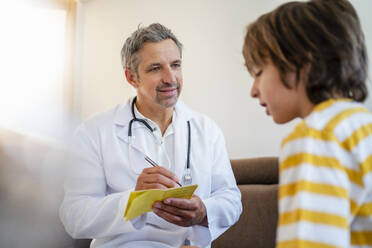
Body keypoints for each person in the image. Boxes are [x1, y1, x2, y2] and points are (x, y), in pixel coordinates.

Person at [60, 23, 242, 248]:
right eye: (155, 68)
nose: (170, 78)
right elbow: (74, 217)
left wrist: (204, 211)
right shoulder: (93, 132)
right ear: (131, 77)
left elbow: (231, 200)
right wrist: (134, 200)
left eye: (175, 65)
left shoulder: (207, 130)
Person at [243, 0, 372, 247]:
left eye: (258, 73)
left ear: (300, 63)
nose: (253, 91)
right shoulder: (362, 125)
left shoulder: (316, 136)